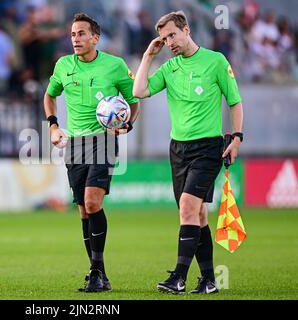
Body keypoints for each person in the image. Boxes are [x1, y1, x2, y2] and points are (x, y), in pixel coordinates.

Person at [133, 11, 244, 294]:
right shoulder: (169, 69)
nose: (169, 42)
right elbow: (140, 91)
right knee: (198, 215)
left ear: (187, 30)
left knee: (186, 207)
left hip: (208, 147)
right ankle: (209, 280)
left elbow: (234, 101)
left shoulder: (215, 61)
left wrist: (237, 137)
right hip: (178, 149)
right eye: (164, 38)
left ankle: (178, 278)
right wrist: (148, 55)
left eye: (172, 35)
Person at [44, 13, 140, 292]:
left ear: (95, 38)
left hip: (104, 140)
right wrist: (53, 126)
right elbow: (49, 95)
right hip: (75, 143)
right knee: (84, 211)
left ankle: (96, 272)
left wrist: (126, 125)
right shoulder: (63, 65)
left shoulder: (115, 65)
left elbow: (133, 101)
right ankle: (98, 273)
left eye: (82, 33)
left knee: (93, 203)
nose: (76, 38)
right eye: (73, 34)